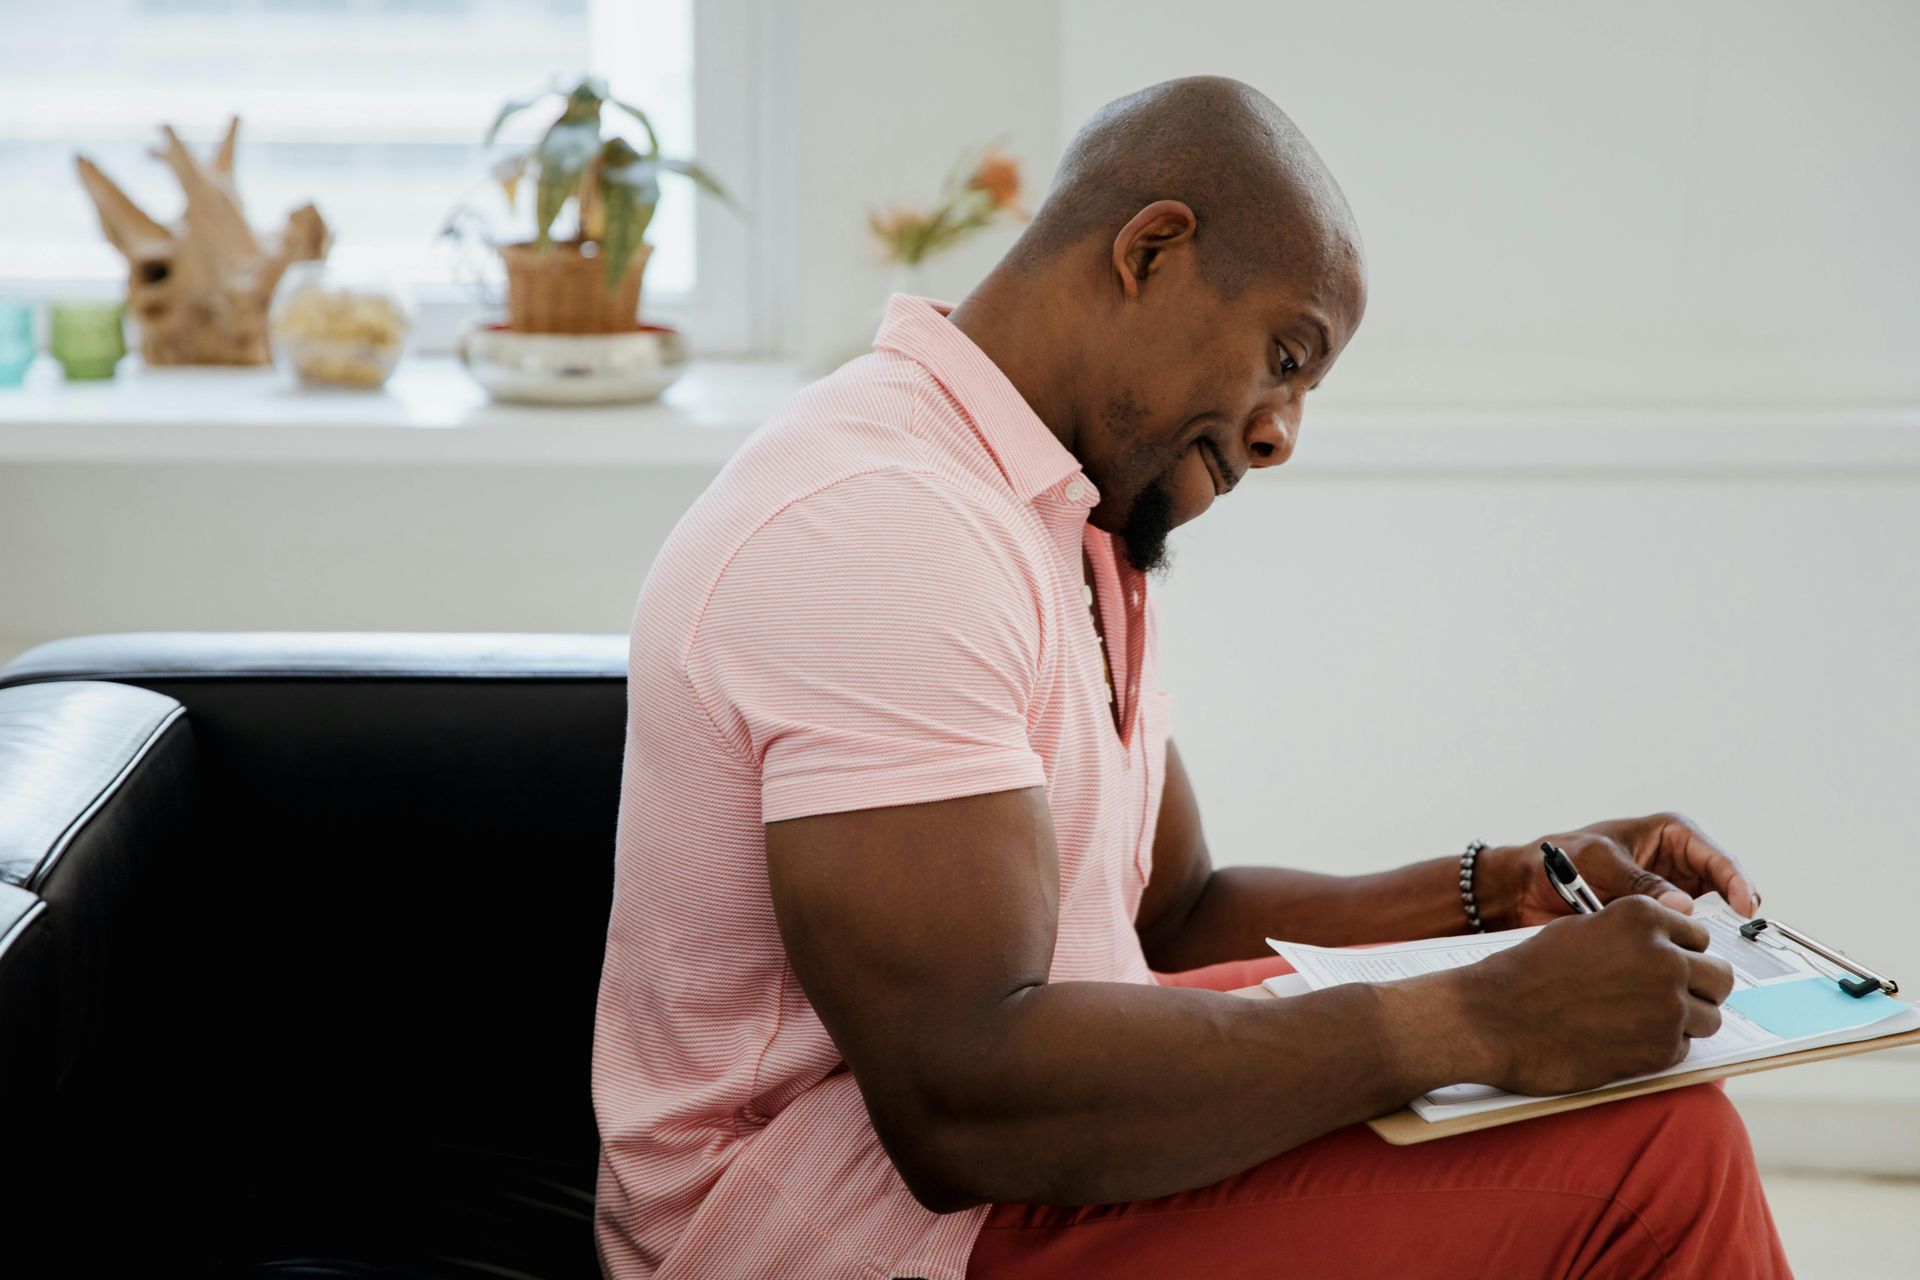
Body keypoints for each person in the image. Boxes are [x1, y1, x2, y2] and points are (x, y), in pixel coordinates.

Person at [591, 76, 1792, 1278]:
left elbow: (1166, 915)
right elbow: (962, 1099)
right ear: (1151, 250)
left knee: (1623, 1117)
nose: (1281, 433)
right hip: (823, 1224)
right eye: (1284, 356)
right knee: (1658, 1155)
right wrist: (1480, 1015)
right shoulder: (883, 523)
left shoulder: (1069, 516)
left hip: (979, 1164)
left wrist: (1503, 889)